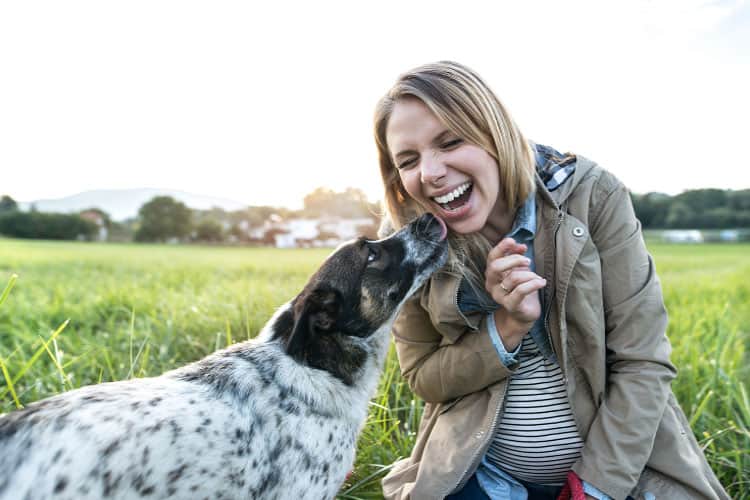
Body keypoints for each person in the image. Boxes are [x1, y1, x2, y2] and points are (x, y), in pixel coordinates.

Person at [374, 61, 729, 500]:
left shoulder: (592, 196)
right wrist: (506, 328)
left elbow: (643, 361)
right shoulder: (406, 246)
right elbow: (424, 378)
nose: (430, 172)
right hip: (483, 474)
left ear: (493, 131)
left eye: (450, 141)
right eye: (408, 161)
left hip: (616, 478)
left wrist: (592, 488)